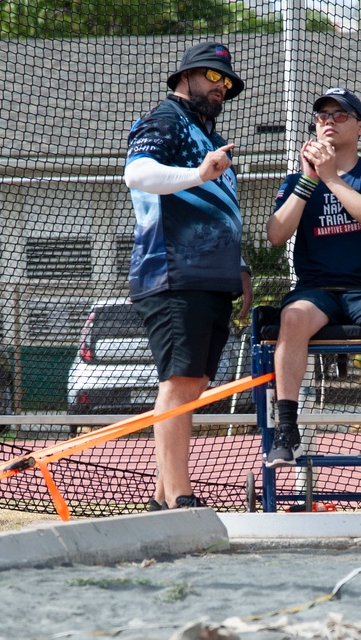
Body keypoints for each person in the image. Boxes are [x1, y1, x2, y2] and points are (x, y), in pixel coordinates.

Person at [264, 88, 361, 481]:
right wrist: (308, 180)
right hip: (316, 287)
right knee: (293, 318)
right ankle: (287, 429)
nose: (329, 121)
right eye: (322, 116)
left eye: (340, 115)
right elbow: (275, 234)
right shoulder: (299, 179)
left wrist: (331, 177)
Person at [124, 42, 253, 510]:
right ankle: (180, 497)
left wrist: (238, 267)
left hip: (211, 277)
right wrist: (199, 173)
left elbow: (221, 210)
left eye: (228, 83)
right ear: (187, 76)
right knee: (179, 383)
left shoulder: (206, 132)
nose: (223, 88)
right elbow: (137, 174)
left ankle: (163, 499)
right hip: (173, 272)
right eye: (214, 78)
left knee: (194, 384)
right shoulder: (166, 118)